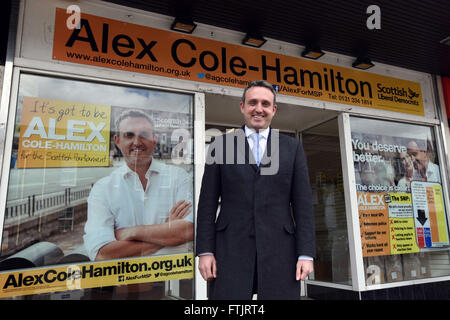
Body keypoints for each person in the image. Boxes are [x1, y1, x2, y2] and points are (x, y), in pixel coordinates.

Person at [196, 80, 316, 300]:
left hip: (281, 252)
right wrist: (205, 251)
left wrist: (306, 253)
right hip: (230, 250)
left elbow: (303, 205)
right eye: (252, 103)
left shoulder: (292, 148)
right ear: (242, 107)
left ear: (274, 110)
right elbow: (207, 203)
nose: (259, 108)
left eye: (265, 103)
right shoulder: (220, 145)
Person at [83, 109, 193, 261]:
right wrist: (167, 232)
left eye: (144, 135)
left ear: (154, 140)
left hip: (174, 279)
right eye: (129, 135)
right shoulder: (103, 189)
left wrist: (132, 232)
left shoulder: (178, 177)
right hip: (126, 281)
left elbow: (188, 231)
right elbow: (103, 253)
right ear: (117, 141)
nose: (137, 142)